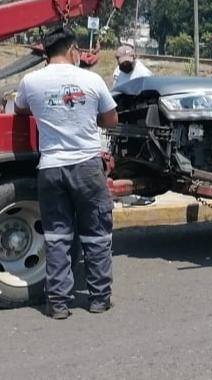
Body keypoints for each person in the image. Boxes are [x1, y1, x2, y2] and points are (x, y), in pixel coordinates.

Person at [14, 26, 118, 319]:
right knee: (96, 234)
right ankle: (99, 298)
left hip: (50, 169)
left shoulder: (30, 81)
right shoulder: (91, 79)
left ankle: (58, 303)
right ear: (73, 50)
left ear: (46, 53)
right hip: (86, 167)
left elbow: (21, 110)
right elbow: (111, 119)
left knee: (57, 236)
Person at [111, 45, 155, 206]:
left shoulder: (143, 74)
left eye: (128, 62)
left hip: (141, 117)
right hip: (125, 115)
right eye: (122, 62)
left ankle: (143, 191)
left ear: (135, 58)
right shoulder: (118, 72)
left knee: (140, 153)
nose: (125, 65)